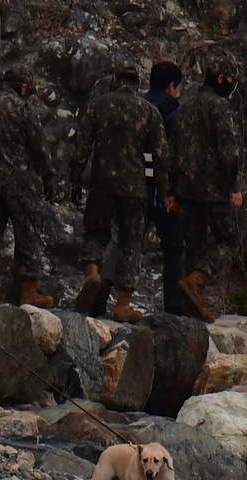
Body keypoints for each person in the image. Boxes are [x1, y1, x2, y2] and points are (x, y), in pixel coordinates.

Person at [69, 59, 167, 322]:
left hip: (101, 183)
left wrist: (75, 181)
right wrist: (162, 192)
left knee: (96, 232)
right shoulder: (148, 111)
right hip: (134, 187)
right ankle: (123, 305)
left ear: (114, 80)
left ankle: (92, 273)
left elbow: (80, 149)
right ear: (138, 84)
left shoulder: (97, 106)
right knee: (132, 242)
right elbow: (160, 156)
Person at [169, 50, 243, 323]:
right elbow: (228, 150)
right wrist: (234, 185)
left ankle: (193, 309)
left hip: (187, 189)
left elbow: (173, 148)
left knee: (194, 245)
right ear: (221, 78)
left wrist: (171, 190)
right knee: (229, 240)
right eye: (231, 79)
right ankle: (197, 279)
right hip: (215, 189)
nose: (232, 84)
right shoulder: (219, 106)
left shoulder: (185, 104)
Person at [0, 63, 57, 309]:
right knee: (28, 236)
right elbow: (39, 147)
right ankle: (29, 293)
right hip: (22, 185)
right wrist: (49, 177)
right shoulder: (23, 109)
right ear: (23, 87)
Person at [145, 60, 185, 315]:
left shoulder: (139, 107)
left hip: (133, 184)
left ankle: (103, 293)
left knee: (123, 242)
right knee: (173, 246)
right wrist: (173, 192)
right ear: (172, 86)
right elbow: (177, 156)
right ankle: (174, 305)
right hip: (162, 189)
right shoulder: (172, 115)